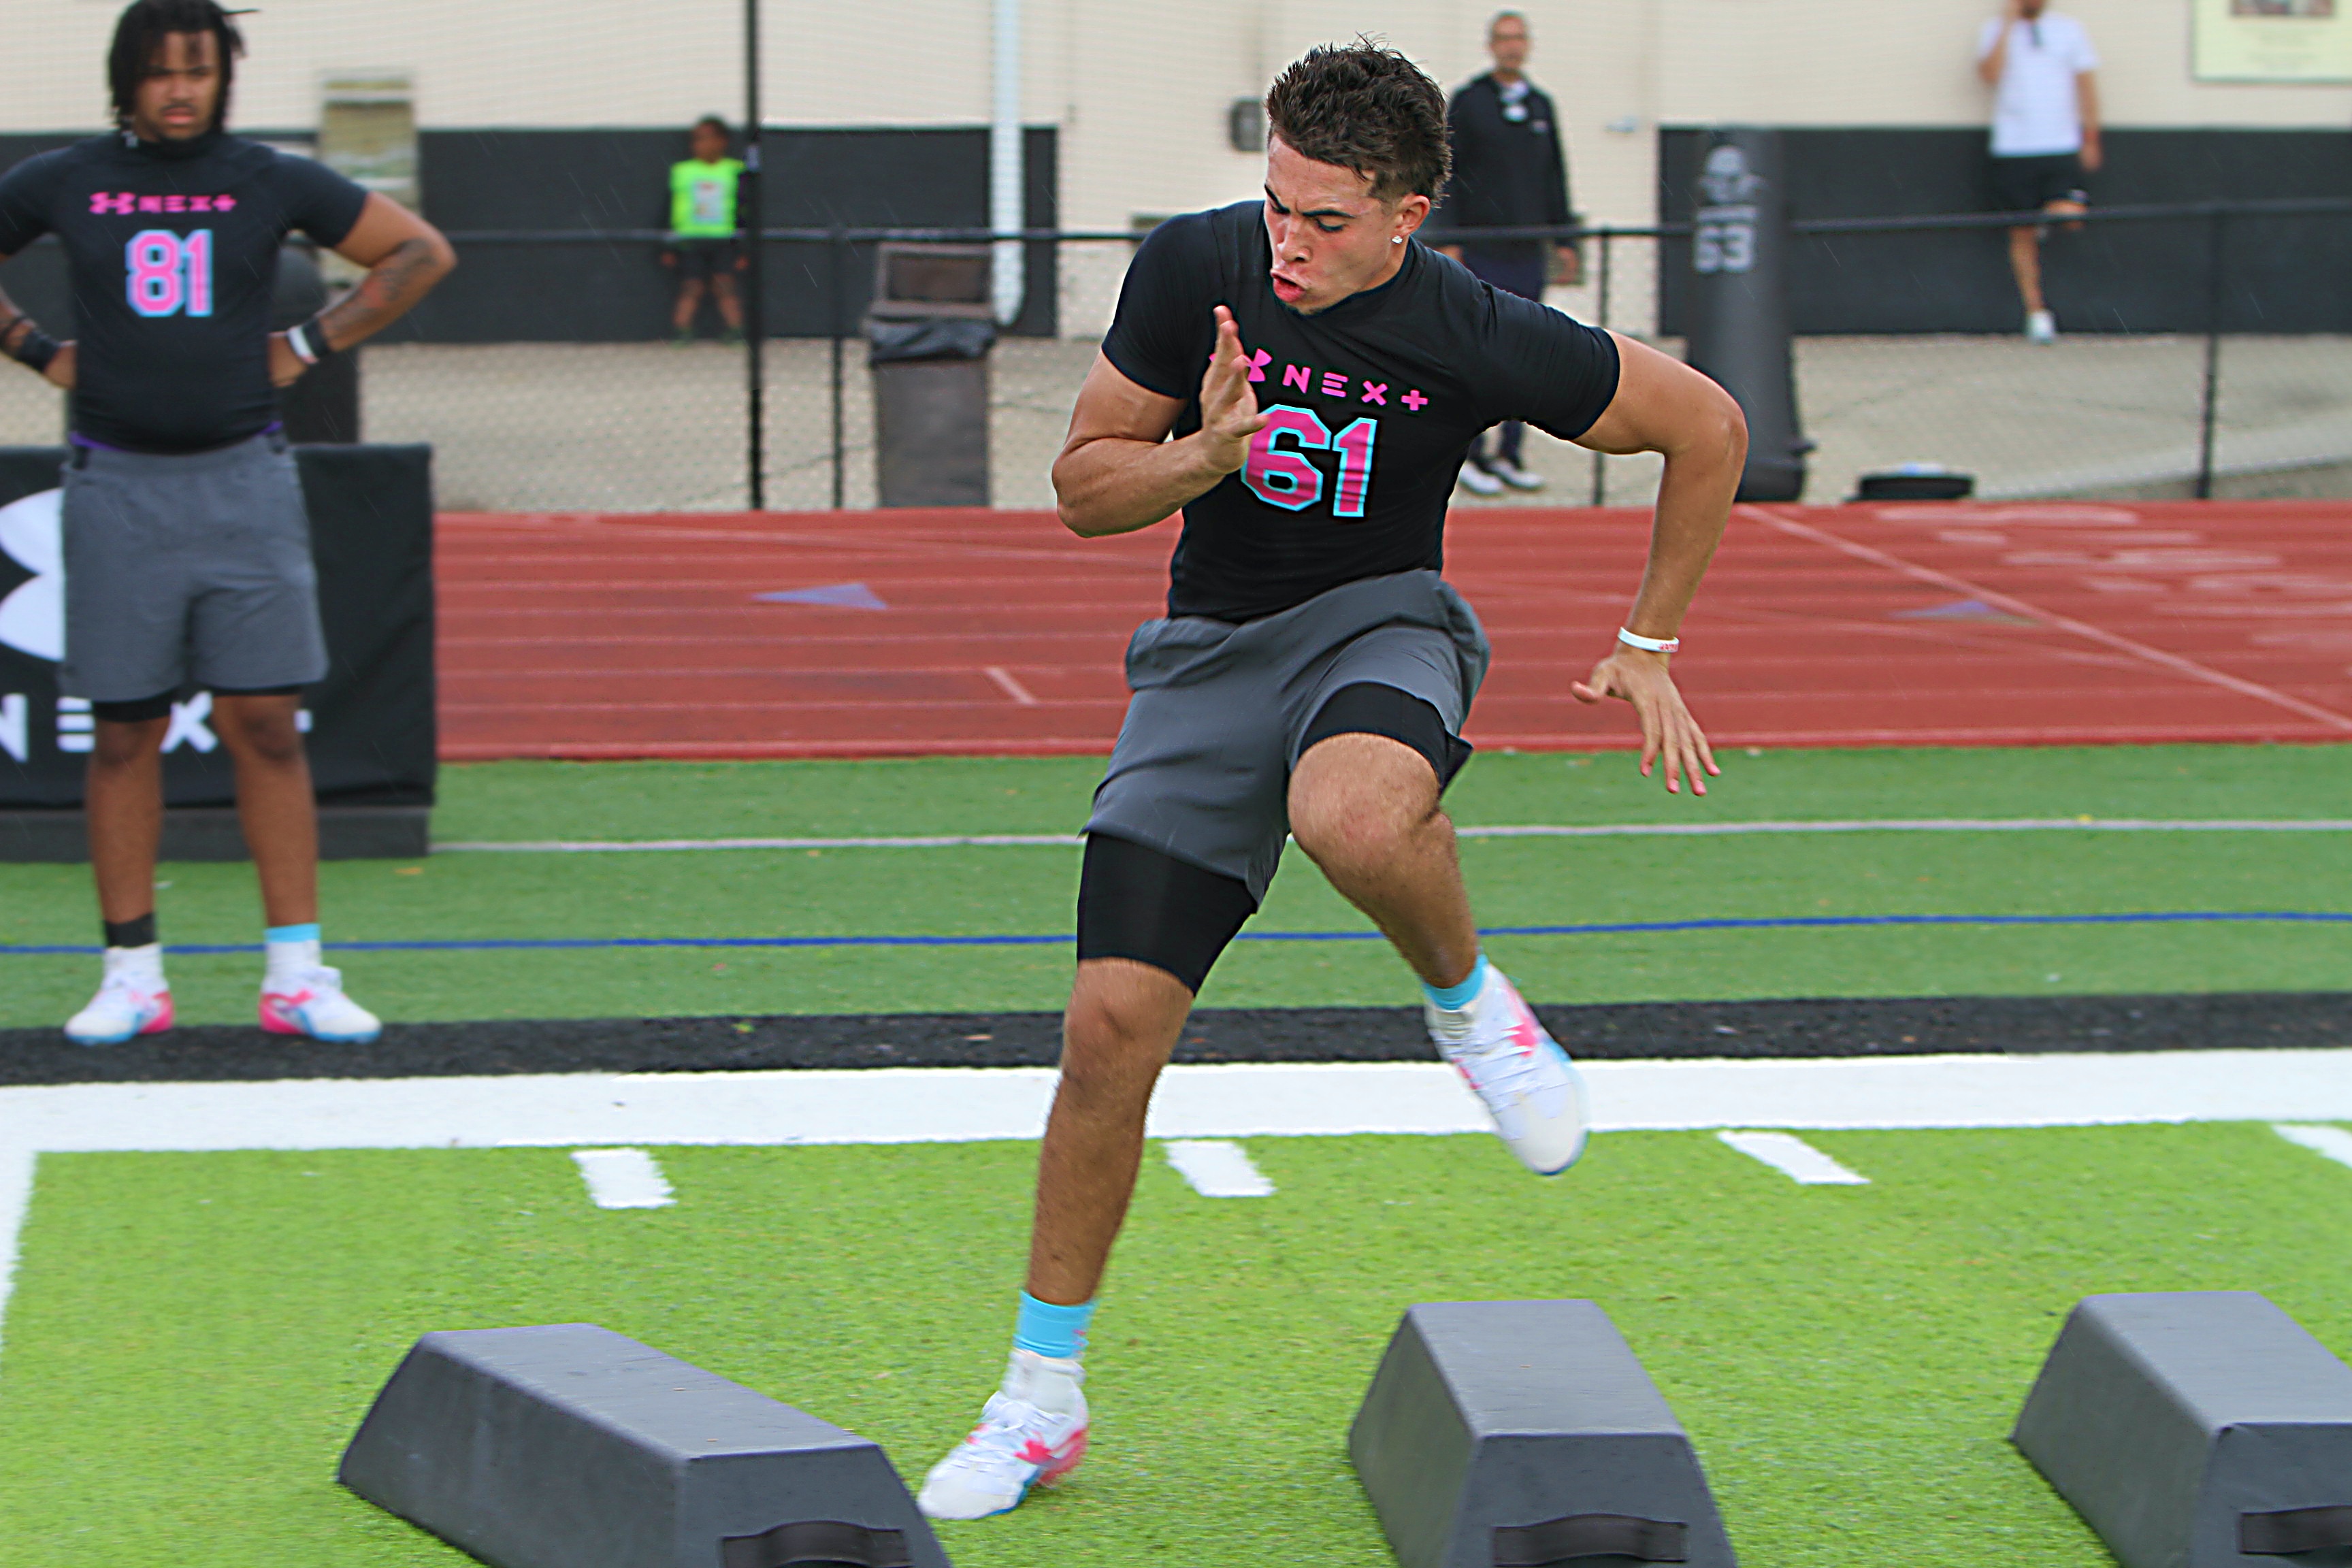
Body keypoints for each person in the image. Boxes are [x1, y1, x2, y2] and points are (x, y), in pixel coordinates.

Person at [914, 40, 1744, 1522]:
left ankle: (1468, 1000)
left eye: (1329, 220)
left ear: (1411, 213)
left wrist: (1651, 643)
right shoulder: (1195, 269)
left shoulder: (1473, 328)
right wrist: (1202, 455)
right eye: (1279, 205)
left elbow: (1708, 426)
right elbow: (1082, 491)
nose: (1289, 243)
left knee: (1352, 814)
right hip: (1207, 657)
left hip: (1381, 627)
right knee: (1109, 1028)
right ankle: (1040, 1400)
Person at [0, 0, 455, 1046]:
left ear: (223, 78)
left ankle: (297, 974)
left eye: (196, 71)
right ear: (127, 77)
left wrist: (309, 340)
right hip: (116, 487)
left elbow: (418, 254)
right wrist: (33, 346)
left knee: (265, 726)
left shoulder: (270, 177)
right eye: (159, 71)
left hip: (245, 483)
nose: (178, 90)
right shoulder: (67, 177)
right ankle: (132, 976)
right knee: (125, 734)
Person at [1441, 10, 1578, 496]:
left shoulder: (1541, 105)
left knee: (1528, 350)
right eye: (1503, 39)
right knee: (1481, 349)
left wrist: (1564, 240)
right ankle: (1473, 454)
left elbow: (1554, 174)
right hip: (1483, 248)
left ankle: (1511, 453)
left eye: (1519, 39)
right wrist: (1451, 239)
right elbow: (1449, 173)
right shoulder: (1470, 102)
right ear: (1491, 45)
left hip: (1527, 251)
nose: (1512, 47)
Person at [1977, 0, 2101, 344]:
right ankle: (2037, 314)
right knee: (2021, 234)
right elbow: (1989, 75)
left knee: (2071, 216)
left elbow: (2086, 84)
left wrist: (2091, 137)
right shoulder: (1993, 30)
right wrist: (2007, 23)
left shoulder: (2069, 29)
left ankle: (2048, 214)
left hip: (2060, 145)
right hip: (2014, 149)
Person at [662, 116, 747, 346]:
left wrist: (743, 249)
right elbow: (670, 208)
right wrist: (668, 245)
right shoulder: (682, 171)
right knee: (691, 285)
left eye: (710, 139)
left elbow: (743, 209)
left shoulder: (735, 170)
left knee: (725, 284)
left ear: (723, 142)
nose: (704, 145)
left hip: (724, 239)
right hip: (690, 239)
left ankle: (735, 330)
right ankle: (681, 330)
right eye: (698, 140)